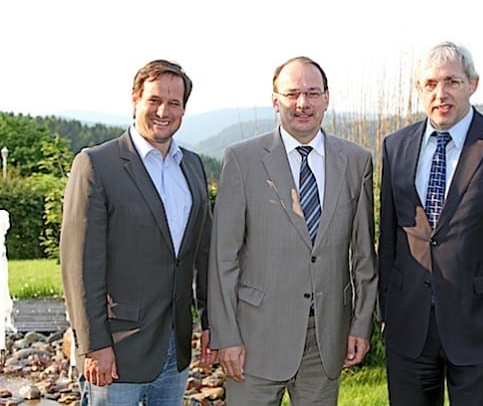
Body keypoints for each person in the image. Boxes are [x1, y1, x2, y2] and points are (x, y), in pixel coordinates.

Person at [378, 41, 483, 405]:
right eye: (431, 84)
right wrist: (385, 312)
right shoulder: (396, 147)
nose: (441, 94)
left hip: (481, 328)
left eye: (452, 81)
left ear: (473, 84)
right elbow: (389, 239)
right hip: (409, 328)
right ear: (419, 89)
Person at [208, 56, 378, 405]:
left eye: (313, 93)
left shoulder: (356, 162)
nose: (303, 104)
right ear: (275, 100)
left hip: (326, 340)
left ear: (327, 99)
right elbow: (223, 258)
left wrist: (361, 324)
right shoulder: (242, 160)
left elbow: (363, 257)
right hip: (255, 339)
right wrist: (226, 336)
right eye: (292, 94)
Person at [60, 59, 216, 405]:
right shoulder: (97, 164)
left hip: (175, 347)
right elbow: (79, 267)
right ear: (135, 100)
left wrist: (211, 323)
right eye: (154, 100)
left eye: (174, 103)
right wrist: (94, 345)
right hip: (117, 349)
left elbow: (203, 254)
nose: (163, 111)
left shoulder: (191, 165)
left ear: (184, 109)